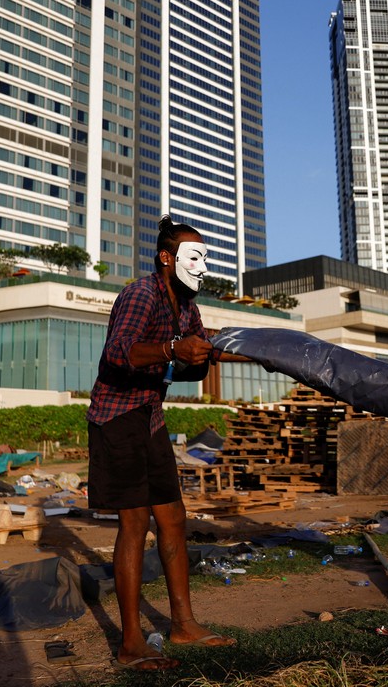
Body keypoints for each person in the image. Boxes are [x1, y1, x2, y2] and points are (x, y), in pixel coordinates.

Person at [87, 215, 243, 671]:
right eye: (194, 257)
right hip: (117, 417)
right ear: (167, 258)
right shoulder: (141, 294)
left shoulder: (187, 309)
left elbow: (191, 366)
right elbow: (119, 352)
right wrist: (174, 349)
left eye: (205, 258)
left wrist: (215, 352)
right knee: (134, 525)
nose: (202, 266)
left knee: (173, 519)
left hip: (151, 417)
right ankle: (131, 642)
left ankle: (183, 624)